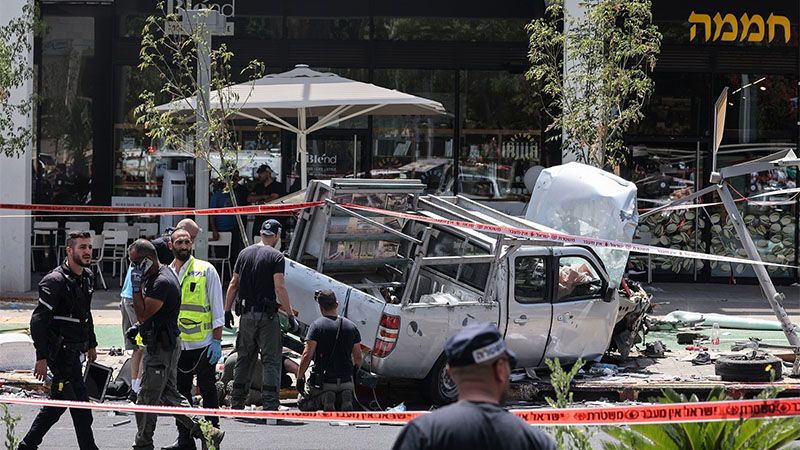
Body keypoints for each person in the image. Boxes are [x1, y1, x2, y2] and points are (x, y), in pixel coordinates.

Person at [392, 323, 555, 450]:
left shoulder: (423, 434)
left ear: (451, 373)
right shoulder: (533, 441)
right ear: (499, 369)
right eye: (509, 366)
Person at [127, 239, 224, 450]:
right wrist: (138, 326)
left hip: (163, 347)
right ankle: (208, 431)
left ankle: (143, 444)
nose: (133, 267)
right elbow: (150, 314)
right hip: (164, 345)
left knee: (147, 398)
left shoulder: (161, 281)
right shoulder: (158, 275)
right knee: (169, 394)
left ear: (147, 260)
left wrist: (136, 289)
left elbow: (144, 312)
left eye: (136, 262)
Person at [19, 231, 99, 450]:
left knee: (57, 404)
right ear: (69, 250)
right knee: (81, 406)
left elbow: (86, 313)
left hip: (77, 350)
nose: (87, 251)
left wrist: (91, 343)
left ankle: (27, 445)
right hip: (61, 354)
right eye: (82, 247)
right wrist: (41, 357)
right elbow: (38, 321)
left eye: (89, 247)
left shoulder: (88, 277)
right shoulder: (54, 281)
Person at [224, 219, 298, 412]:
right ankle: (270, 405)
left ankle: (236, 403)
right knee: (271, 361)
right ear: (277, 235)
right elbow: (279, 287)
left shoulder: (244, 253)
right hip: (267, 318)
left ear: (261, 234)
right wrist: (290, 315)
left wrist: (226, 311)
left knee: (244, 359)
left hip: (246, 317)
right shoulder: (276, 257)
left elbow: (233, 283)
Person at [163, 228, 225, 450]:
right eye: (179, 242)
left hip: (204, 344)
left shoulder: (205, 270)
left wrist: (217, 341)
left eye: (187, 242)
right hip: (178, 346)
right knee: (181, 394)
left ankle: (212, 437)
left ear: (192, 244)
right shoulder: (167, 272)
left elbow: (218, 309)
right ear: (171, 246)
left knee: (208, 390)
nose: (184, 246)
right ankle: (185, 440)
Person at [296, 289, 362, 411]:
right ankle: (344, 396)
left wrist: (299, 378)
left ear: (321, 308)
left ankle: (324, 398)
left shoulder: (316, 326)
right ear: (336, 305)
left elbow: (307, 355)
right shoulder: (351, 327)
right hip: (346, 381)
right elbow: (358, 357)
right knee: (342, 393)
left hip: (323, 382)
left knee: (302, 403)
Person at [120, 265, 144, 403]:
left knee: (137, 348)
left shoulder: (139, 250)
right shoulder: (151, 251)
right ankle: (137, 389)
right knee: (144, 347)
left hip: (127, 297)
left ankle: (134, 388)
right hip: (135, 300)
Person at [247, 164, 285, 237]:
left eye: (261, 173)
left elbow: (274, 198)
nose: (259, 175)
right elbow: (249, 198)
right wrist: (264, 196)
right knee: (256, 239)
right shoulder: (258, 186)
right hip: (259, 220)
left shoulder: (277, 186)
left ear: (268, 173)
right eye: (259, 173)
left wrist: (261, 202)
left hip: (274, 219)